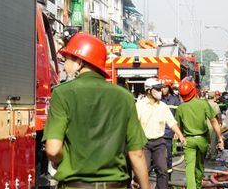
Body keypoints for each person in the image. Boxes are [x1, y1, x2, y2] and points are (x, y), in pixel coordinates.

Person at [43, 33, 150, 189]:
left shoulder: (62, 94)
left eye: (66, 59)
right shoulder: (125, 97)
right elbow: (137, 154)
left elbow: (53, 150)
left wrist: (63, 162)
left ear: (79, 62)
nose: (64, 65)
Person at [136, 78, 186, 189]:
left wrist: (181, 135)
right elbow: (133, 124)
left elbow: (171, 122)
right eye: (157, 89)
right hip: (144, 143)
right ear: (149, 91)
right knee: (145, 170)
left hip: (159, 142)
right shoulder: (140, 105)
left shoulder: (162, 106)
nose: (160, 91)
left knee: (163, 171)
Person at [175, 80, 224, 189]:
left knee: (189, 167)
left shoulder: (181, 107)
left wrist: (180, 137)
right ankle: (197, 185)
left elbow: (178, 127)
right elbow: (214, 121)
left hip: (189, 141)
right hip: (202, 140)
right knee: (200, 165)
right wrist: (220, 138)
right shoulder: (203, 104)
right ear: (193, 91)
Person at [160, 76, 181, 176]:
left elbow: (179, 116)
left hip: (168, 132)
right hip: (157, 132)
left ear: (169, 88)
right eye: (162, 87)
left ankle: (168, 179)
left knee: (168, 157)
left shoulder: (175, 100)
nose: (163, 89)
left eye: (165, 87)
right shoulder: (157, 99)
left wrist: (178, 132)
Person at [206, 91, 222, 160]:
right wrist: (220, 121)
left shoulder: (204, 104)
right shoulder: (215, 105)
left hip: (204, 124)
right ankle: (213, 156)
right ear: (214, 97)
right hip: (212, 125)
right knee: (213, 141)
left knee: (206, 141)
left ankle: (207, 155)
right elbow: (218, 114)